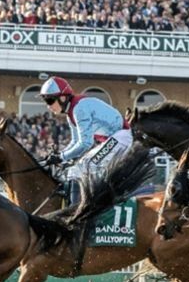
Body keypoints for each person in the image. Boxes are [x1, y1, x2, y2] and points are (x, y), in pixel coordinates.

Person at [39, 76, 130, 204]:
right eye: (46, 101)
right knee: (74, 169)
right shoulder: (71, 113)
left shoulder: (79, 108)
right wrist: (61, 156)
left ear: (63, 98)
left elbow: (86, 143)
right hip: (113, 139)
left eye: (50, 100)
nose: (48, 106)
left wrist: (62, 157)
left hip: (121, 137)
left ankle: (77, 211)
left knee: (82, 167)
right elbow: (75, 142)